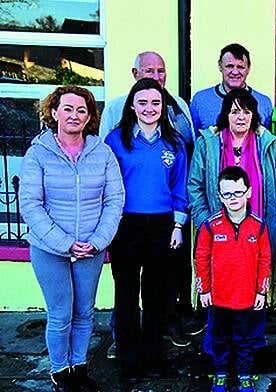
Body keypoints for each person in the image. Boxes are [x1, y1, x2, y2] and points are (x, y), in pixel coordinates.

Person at [19, 85, 125, 392]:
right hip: (49, 248)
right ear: (54, 112)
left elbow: (114, 199)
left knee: (84, 312)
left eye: (82, 110)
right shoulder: (38, 153)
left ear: (90, 116)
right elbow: (30, 204)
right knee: (61, 312)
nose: (74, 115)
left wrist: (97, 240)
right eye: (67, 108)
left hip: (91, 247)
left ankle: (78, 367)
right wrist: (65, 243)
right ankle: (59, 371)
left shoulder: (101, 152)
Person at [99, 51, 197, 351]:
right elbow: (107, 185)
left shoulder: (174, 143)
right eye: (142, 102)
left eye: (156, 103)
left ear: (163, 106)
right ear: (132, 106)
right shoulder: (116, 140)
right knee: (126, 294)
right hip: (126, 225)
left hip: (162, 226)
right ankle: (129, 358)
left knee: (155, 294)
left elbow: (179, 188)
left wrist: (178, 225)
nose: (150, 108)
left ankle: (154, 355)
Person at [187, 87, 276, 363]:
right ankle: (216, 349)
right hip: (219, 232)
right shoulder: (208, 143)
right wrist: (203, 220)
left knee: (256, 285)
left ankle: (254, 346)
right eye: (234, 111)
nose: (241, 116)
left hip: (256, 231)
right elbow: (194, 185)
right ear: (226, 115)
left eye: (246, 111)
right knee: (219, 288)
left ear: (254, 114)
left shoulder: (266, 141)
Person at [195, 166, 271, 392]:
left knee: (244, 339)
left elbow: (265, 260)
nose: (233, 198)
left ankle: (245, 375)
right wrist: (204, 290)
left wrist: (261, 291)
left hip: (247, 298)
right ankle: (220, 373)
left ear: (248, 192)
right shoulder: (210, 225)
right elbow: (201, 258)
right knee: (219, 338)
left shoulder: (258, 226)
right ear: (219, 196)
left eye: (238, 192)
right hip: (218, 298)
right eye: (227, 194)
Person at [190, 43, 273, 134]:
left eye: (240, 67)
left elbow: (266, 143)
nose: (235, 72)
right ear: (220, 66)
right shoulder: (200, 100)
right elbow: (196, 141)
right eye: (229, 66)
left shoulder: (264, 103)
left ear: (248, 68)